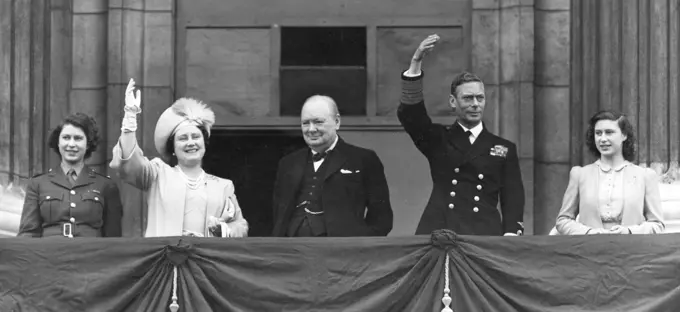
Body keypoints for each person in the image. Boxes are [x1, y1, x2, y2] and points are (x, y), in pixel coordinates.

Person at [397, 34, 525, 236]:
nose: (475, 104)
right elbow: (411, 116)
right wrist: (416, 62)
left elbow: (513, 196)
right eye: (468, 98)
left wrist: (510, 233)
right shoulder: (438, 138)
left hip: (484, 235)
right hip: (440, 232)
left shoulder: (503, 148)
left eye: (480, 98)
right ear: (452, 102)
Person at [109, 79, 248, 238]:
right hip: (165, 259)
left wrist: (223, 230)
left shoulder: (224, 187)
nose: (191, 142)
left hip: (205, 261)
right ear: (173, 149)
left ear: (204, 142)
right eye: (183, 138)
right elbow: (129, 163)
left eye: (195, 136)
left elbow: (240, 226)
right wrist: (130, 119)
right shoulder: (158, 174)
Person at [271, 95, 393, 237]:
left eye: (318, 122)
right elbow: (278, 213)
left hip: (340, 253)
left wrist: (360, 247)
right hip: (292, 251)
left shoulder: (363, 159)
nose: (311, 129)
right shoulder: (288, 163)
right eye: (305, 123)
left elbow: (381, 217)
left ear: (337, 122)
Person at [554, 110, 664, 235]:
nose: (603, 139)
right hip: (588, 251)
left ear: (624, 135)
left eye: (609, 132)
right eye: (598, 133)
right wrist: (588, 232)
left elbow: (657, 224)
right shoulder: (580, 174)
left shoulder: (645, 176)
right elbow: (563, 221)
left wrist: (629, 231)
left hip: (631, 251)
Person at [17, 113, 123, 238]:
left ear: (88, 144)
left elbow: (113, 239)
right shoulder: (38, 184)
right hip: (50, 255)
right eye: (66, 137)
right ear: (58, 142)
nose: (71, 144)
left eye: (78, 138)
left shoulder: (106, 186)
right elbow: (28, 234)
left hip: (90, 255)